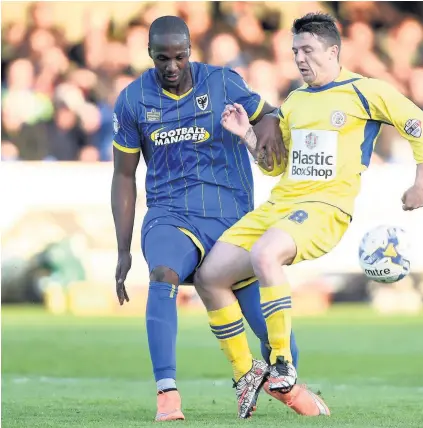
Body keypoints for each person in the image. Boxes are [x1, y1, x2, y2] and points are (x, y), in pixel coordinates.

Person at [194, 12, 423, 418]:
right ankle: (247, 372)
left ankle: (282, 364)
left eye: (307, 50)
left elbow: (421, 126)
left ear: (333, 51)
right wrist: (249, 136)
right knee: (209, 276)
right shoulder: (296, 100)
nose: (300, 59)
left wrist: (422, 182)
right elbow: (276, 166)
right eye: (294, 51)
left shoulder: (366, 91)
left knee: (265, 254)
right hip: (281, 205)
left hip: (325, 208)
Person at [111, 15, 297, 422]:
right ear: (149, 55)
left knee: (283, 347)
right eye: (163, 58)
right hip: (170, 215)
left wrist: (266, 130)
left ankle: (289, 387)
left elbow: (269, 114)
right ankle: (167, 394)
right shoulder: (132, 100)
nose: (172, 66)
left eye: (179, 57)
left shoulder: (224, 82)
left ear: (190, 51)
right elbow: (123, 176)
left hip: (231, 221)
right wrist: (123, 250)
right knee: (162, 275)